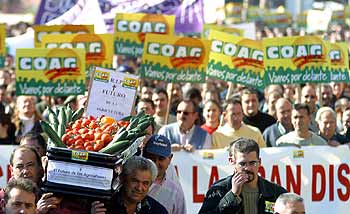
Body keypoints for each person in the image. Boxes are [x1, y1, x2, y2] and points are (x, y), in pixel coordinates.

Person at [199, 138, 287, 214]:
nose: (247, 168)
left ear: (259, 162)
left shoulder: (275, 192)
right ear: (232, 161)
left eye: (252, 163)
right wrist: (232, 195)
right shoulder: (219, 190)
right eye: (242, 164)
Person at [91, 156, 168, 214]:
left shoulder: (158, 211)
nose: (139, 188)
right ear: (123, 179)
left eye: (145, 183)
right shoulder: (103, 207)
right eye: (135, 181)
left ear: (150, 184)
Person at [142, 135, 186, 214]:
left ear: (170, 159)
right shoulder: (133, 183)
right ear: (144, 155)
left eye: (161, 159)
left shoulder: (175, 193)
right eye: (152, 158)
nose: (155, 163)